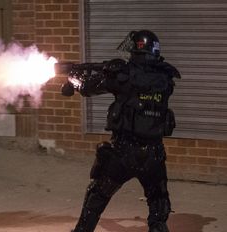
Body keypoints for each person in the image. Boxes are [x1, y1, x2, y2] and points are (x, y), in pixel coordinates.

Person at [61, 30, 181, 232]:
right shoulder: (165, 79)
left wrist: (73, 80)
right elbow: (144, 83)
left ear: (137, 50)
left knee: (97, 195)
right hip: (154, 154)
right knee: (158, 200)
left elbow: (88, 87)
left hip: (123, 153)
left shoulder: (123, 76)